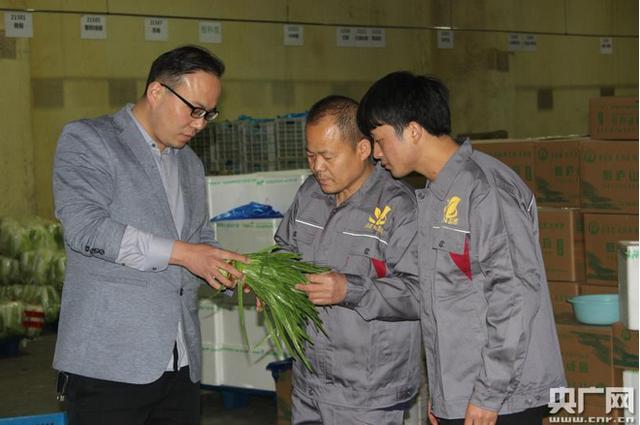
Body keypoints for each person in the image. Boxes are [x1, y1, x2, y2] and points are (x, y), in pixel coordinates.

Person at [356, 71, 566, 425]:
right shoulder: (436, 195)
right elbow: (446, 304)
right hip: (464, 396)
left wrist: (488, 394)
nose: (376, 155)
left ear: (413, 130)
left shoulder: (484, 189)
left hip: (503, 399)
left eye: (379, 140)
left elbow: (514, 296)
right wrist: (444, 395)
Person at [52, 45, 247, 425]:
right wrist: (185, 254)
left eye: (209, 114)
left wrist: (235, 275)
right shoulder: (90, 139)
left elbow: (200, 238)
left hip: (180, 364)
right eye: (194, 110)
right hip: (110, 364)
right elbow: (85, 228)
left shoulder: (189, 164)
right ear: (157, 92)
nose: (200, 124)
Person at [274, 95, 422, 425]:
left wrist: (349, 290)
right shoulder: (309, 194)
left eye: (327, 156)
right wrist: (274, 283)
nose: (317, 167)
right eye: (310, 155)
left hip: (369, 393)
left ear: (363, 149)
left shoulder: (399, 207)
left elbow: (420, 293)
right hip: (310, 381)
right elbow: (285, 248)